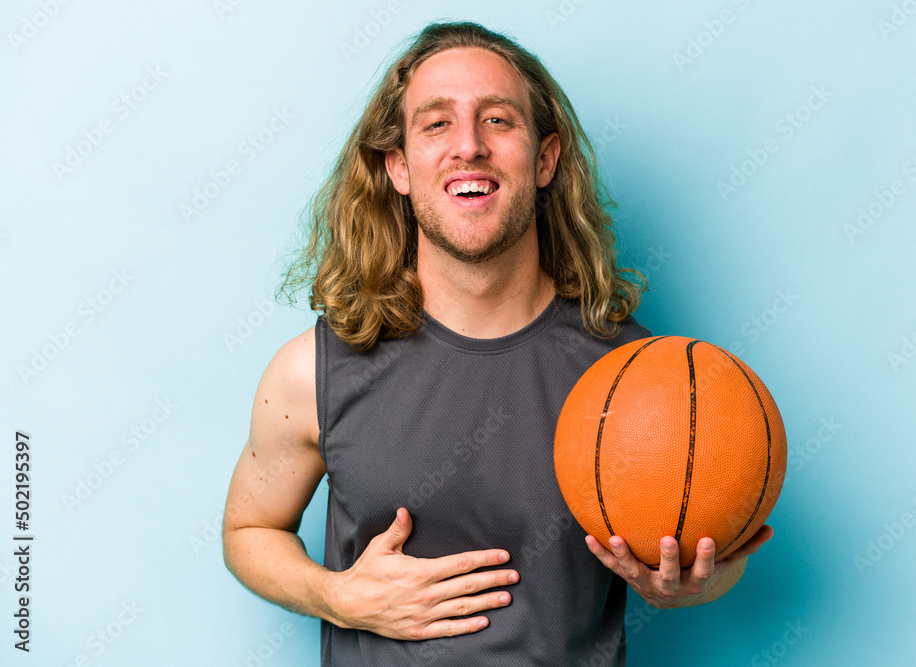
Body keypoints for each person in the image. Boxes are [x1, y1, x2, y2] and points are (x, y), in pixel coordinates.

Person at [221, 20, 772, 666]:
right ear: (398, 166)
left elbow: (711, 551)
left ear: (545, 159)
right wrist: (336, 594)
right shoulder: (312, 371)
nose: (469, 147)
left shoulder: (638, 378)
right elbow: (248, 529)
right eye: (436, 124)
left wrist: (693, 581)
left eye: (499, 121)